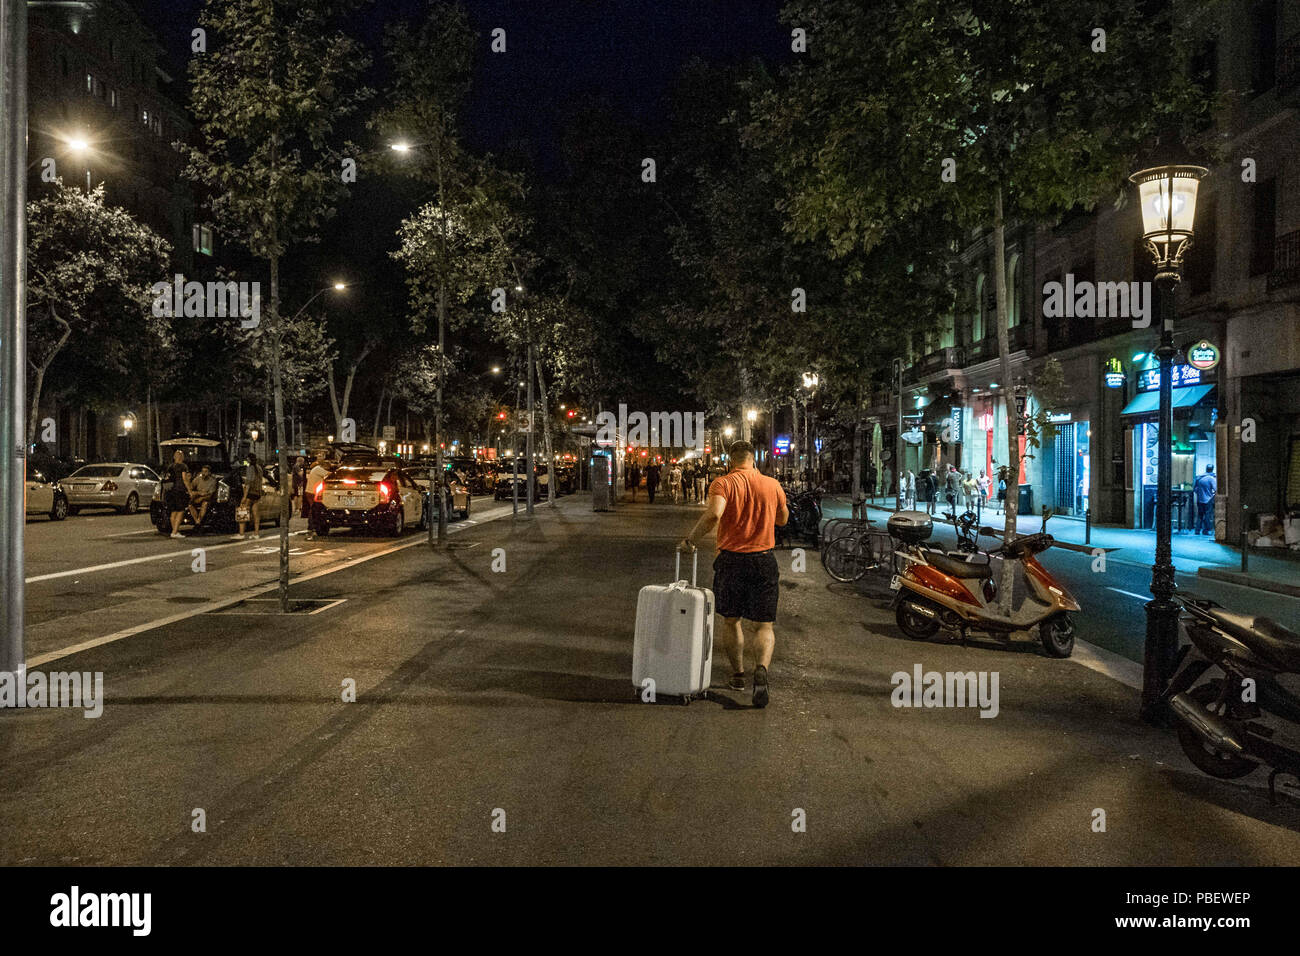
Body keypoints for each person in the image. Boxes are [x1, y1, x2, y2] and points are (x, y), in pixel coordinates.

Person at [678, 441, 788, 709]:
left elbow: (714, 515)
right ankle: (761, 669)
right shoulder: (773, 485)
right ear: (753, 460)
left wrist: (690, 540)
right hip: (763, 561)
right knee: (764, 625)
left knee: (731, 621)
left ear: (731, 460)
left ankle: (738, 676)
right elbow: (783, 519)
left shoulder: (723, 483)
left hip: (731, 561)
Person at [234, 452, 264, 540]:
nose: (246, 460)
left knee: (242, 510)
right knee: (255, 514)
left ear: (249, 459)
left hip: (250, 493)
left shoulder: (250, 468)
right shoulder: (259, 468)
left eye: (247, 459)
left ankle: (241, 533)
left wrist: (244, 496)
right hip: (257, 493)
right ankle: (256, 533)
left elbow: (248, 483)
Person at [305, 454, 335, 538]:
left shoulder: (316, 469)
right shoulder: (319, 469)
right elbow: (329, 474)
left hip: (310, 491)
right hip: (312, 492)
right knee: (313, 509)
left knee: (313, 509)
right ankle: (311, 526)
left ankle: (311, 526)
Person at [165, 450, 192, 539]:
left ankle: (175, 531)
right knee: (181, 511)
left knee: (173, 512)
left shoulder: (170, 466)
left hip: (170, 491)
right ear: (182, 457)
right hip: (179, 490)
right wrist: (189, 490)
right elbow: (184, 478)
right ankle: (175, 531)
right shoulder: (183, 466)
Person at [187, 464, 218, 530]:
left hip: (207, 498)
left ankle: (198, 522)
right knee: (190, 505)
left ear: (209, 472)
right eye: (202, 471)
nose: (204, 473)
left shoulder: (212, 481)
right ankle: (197, 522)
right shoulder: (198, 479)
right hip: (198, 496)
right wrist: (198, 493)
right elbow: (190, 488)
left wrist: (201, 498)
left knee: (205, 504)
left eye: (206, 471)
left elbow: (210, 494)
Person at [1193, 464, 1217, 535]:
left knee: (1200, 515)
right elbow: (1215, 489)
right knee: (1207, 515)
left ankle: (1197, 530)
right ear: (1212, 469)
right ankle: (1206, 531)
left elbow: (1195, 489)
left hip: (1199, 499)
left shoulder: (1199, 478)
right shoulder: (1211, 478)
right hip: (1208, 500)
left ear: (1206, 469)